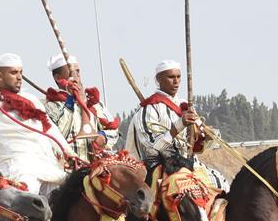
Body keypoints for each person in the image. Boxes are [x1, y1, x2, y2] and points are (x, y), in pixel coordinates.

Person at [0, 13, 74, 195]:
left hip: (46, 164)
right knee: (30, 197)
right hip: (15, 167)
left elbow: (49, 128)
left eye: (20, 72)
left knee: (72, 193)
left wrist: (68, 152)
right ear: (0, 76)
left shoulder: (32, 100)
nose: (19, 77)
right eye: (13, 73)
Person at [125, 60, 228, 191]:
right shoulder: (149, 109)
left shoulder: (185, 105)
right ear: (159, 79)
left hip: (190, 164)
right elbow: (153, 147)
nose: (176, 81)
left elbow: (196, 146)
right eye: (171, 77)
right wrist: (180, 124)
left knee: (223, 186)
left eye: (178, 77)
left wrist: (207, 134)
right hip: (161, 168)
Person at [44, 54, 119, 163]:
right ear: (58, 78)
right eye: (70, 73)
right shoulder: (50, 106)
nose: (76, 76)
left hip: (95, 166)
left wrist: (103, 137)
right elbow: (58, 135)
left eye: (77, 71)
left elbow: (114, 130)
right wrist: (69, 101)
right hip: (66, 169)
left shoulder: (95, 104)